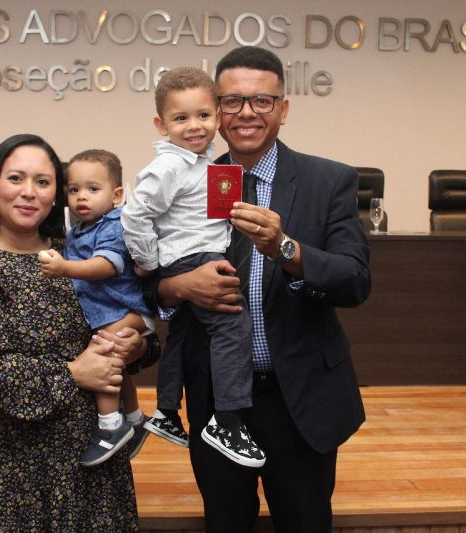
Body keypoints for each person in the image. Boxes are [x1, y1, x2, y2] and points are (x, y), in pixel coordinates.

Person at [150, 47, 371, 532]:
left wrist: (285, 248)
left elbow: (355, 280)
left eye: (262, 101)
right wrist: (180, 286)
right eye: (232, 101)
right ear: (216, 110)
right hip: (217, 398)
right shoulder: (186, 180)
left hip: (299, 398)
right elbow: (146, 282)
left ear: (283, 109)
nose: (246, 113)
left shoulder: (328, 180)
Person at [0, 133, 159, 531]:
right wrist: (74, 373)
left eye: (43, 181)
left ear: (56, 194)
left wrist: (137, 345)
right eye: (15, 178)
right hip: (23, 473)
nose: (29, 192)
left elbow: (138, 325)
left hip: (101, 465)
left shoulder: (80, 252)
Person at [121, 66, 265, 468]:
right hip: (195, 258)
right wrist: (148, 262)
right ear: (161, 124)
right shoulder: (169, 167)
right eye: (181, 118)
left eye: (203, 115)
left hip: (192, 255)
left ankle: (166, 411)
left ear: (217, 116)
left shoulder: (201, 164)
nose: (194, 126)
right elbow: (134, 215)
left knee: (183, 334)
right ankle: (228, 422)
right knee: (233, 328)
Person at [39, 149, 154, 466]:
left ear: (116, 195)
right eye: (74, 189)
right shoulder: (79, 230)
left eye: (92, 189)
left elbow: (107, 265)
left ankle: (110, 426)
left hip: (125, 309)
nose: (81, 197)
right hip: (110, 312)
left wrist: (65, 269)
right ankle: (135, 419)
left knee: (102, 356)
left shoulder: (114, 224)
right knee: (118, 365)